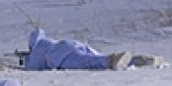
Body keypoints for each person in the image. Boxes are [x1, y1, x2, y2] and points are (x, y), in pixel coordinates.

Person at [22, 28, 162, 71]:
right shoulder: (45, 44)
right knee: (94, 57)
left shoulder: (37, 50)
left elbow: (33, 66)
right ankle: (139, 61)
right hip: (72, 46)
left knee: (90, 62)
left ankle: (111, 60)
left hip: (62, 57)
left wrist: (26, 59)